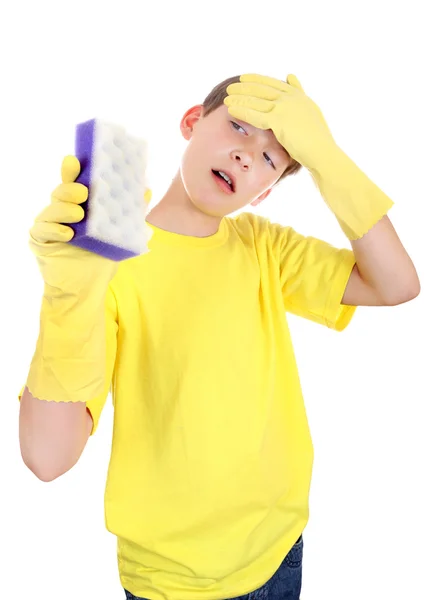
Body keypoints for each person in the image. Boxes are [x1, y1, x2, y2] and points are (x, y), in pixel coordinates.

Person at [18, 73, 420, 600]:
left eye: (273, 158)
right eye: (238, 128)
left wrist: (328, 159)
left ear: (265, 193)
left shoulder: (265, 248)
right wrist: (70, 299)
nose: (248, 156)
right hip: (173, 582)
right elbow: (48, 457)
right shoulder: (106, 266)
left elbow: (397, 284)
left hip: (279, 551)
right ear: (191, 122)